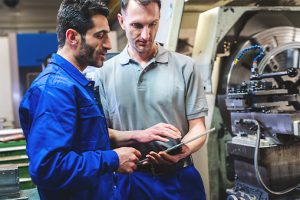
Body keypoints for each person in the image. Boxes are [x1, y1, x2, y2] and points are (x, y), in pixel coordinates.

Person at [19, 1, 142, 199]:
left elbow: (85, 138)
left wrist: (137, 135)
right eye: (100, 35)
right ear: (73, 37)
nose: (109, 44)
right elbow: (49, 167)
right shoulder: (54, 89)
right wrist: (113, 159)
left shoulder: (75, 83)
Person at [94, 0, 209, 199]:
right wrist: (140, 134)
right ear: (121, 21)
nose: (146, 35)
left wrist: (183, 151)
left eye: (152, 24)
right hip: (130, 181)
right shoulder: (103, 74)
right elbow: (102, 132)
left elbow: (198, 127)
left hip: (179, 179)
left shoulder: (186, 67)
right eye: (137, 25)